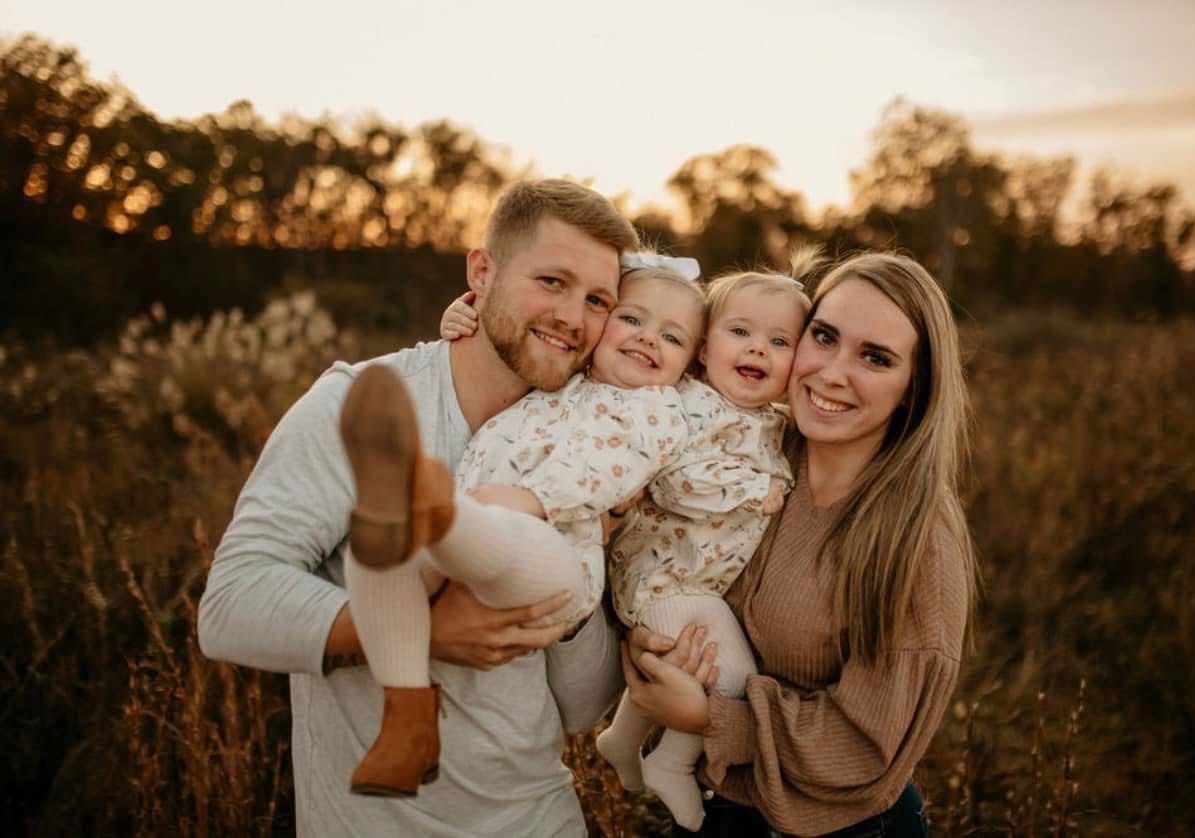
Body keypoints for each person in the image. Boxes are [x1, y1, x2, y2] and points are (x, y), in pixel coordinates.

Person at [197, 179, 646, 836]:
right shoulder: (361, 401)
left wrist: (576, 582)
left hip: (540, 820)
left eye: (597, 300)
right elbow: (231, 605)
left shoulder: (594, 439)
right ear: (482, 271)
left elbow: (581, 710)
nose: (574, 318)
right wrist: (424, 634)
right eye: (552, 282)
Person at [620, 252, 978, 837]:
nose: (832, 373)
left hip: (847, 828)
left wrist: (709, 717)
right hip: (729, 808)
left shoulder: (918, 537)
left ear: (914, 389)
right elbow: (635, 359)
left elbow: (868, 745)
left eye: (875, 357)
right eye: (824, 336)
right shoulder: (754, 441)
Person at [339, 257, 706, 796]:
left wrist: (524, 500)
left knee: (498, 536)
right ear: (600, 327)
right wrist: (461, 315)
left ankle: (439, 511)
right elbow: (518, 337)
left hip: (558, 562)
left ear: (690, 365)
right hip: (480, 515)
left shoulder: (659, 411)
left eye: (672, 338)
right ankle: (408, 718)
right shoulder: (565, 373)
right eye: (632, 320)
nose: (649, 340)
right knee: (376, 558)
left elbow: (604, 474)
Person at [595, 253, 817, 830]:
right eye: (739, 332)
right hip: (660, 578)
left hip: (691, 581)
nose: (756, 350)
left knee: (689, 666)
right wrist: (753, 490)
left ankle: (622, 739)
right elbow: (673, 482)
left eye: (778, 341)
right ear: (702, 346)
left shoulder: (772, 419)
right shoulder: (686, 405)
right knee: (736, 679)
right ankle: (671, 761)